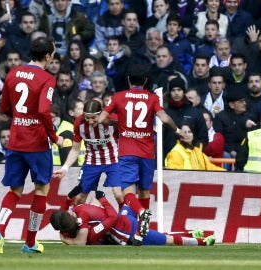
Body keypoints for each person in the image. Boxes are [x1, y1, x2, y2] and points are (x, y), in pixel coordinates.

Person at [0, 37, 63, 254]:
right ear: (48, 56)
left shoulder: (12, 73)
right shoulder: (47, 79)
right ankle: (30, 242)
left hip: (15, 140)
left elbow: (4, 108)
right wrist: (54, 136)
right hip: (38, 143)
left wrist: (21, 119)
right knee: (42, 189)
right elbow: (42, 110)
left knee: (15, 189)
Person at [97, 64, 183, 246]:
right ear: (145, 81)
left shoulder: (118, 97)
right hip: (147, 153)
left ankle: (142, 215)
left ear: (129, 80)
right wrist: (177, 130)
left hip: (127, 151)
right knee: (144, 191)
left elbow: (101, 118)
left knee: (128, 192)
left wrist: (118, 123)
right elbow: (165, 118)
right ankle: (140, 232)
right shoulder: (152, 98)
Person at [50, 193, 216, 246]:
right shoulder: (79, 214)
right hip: (124, 224)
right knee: (129, 195)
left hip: (125, 228)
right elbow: (101, 211)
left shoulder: (86, 227)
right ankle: (197, 237)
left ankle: (202, 241)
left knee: (167, 240)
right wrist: (102, 200)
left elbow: (82, 241)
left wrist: (103, 201)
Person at [53, 98, 123, 210]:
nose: (90, 121)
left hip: (113, 161)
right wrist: (65, 168)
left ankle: (124, 222)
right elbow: (75, 149)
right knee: (79, 197)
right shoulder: (79, 123)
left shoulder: (112, 120)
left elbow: (127, 137)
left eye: (93, 118)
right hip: (91, 162)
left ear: (100, 114)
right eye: (87, 117)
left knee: (119, 195)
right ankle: (78, 223)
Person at [163, 77, 209, 160]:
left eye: (179, 90)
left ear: (184, 91)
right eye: (173, 90)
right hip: (168, 158)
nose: (176, 93)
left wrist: (194, 151)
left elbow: (204, 138)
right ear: (170, 92)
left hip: (191, 159)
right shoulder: (164, 113)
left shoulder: (195, 113)